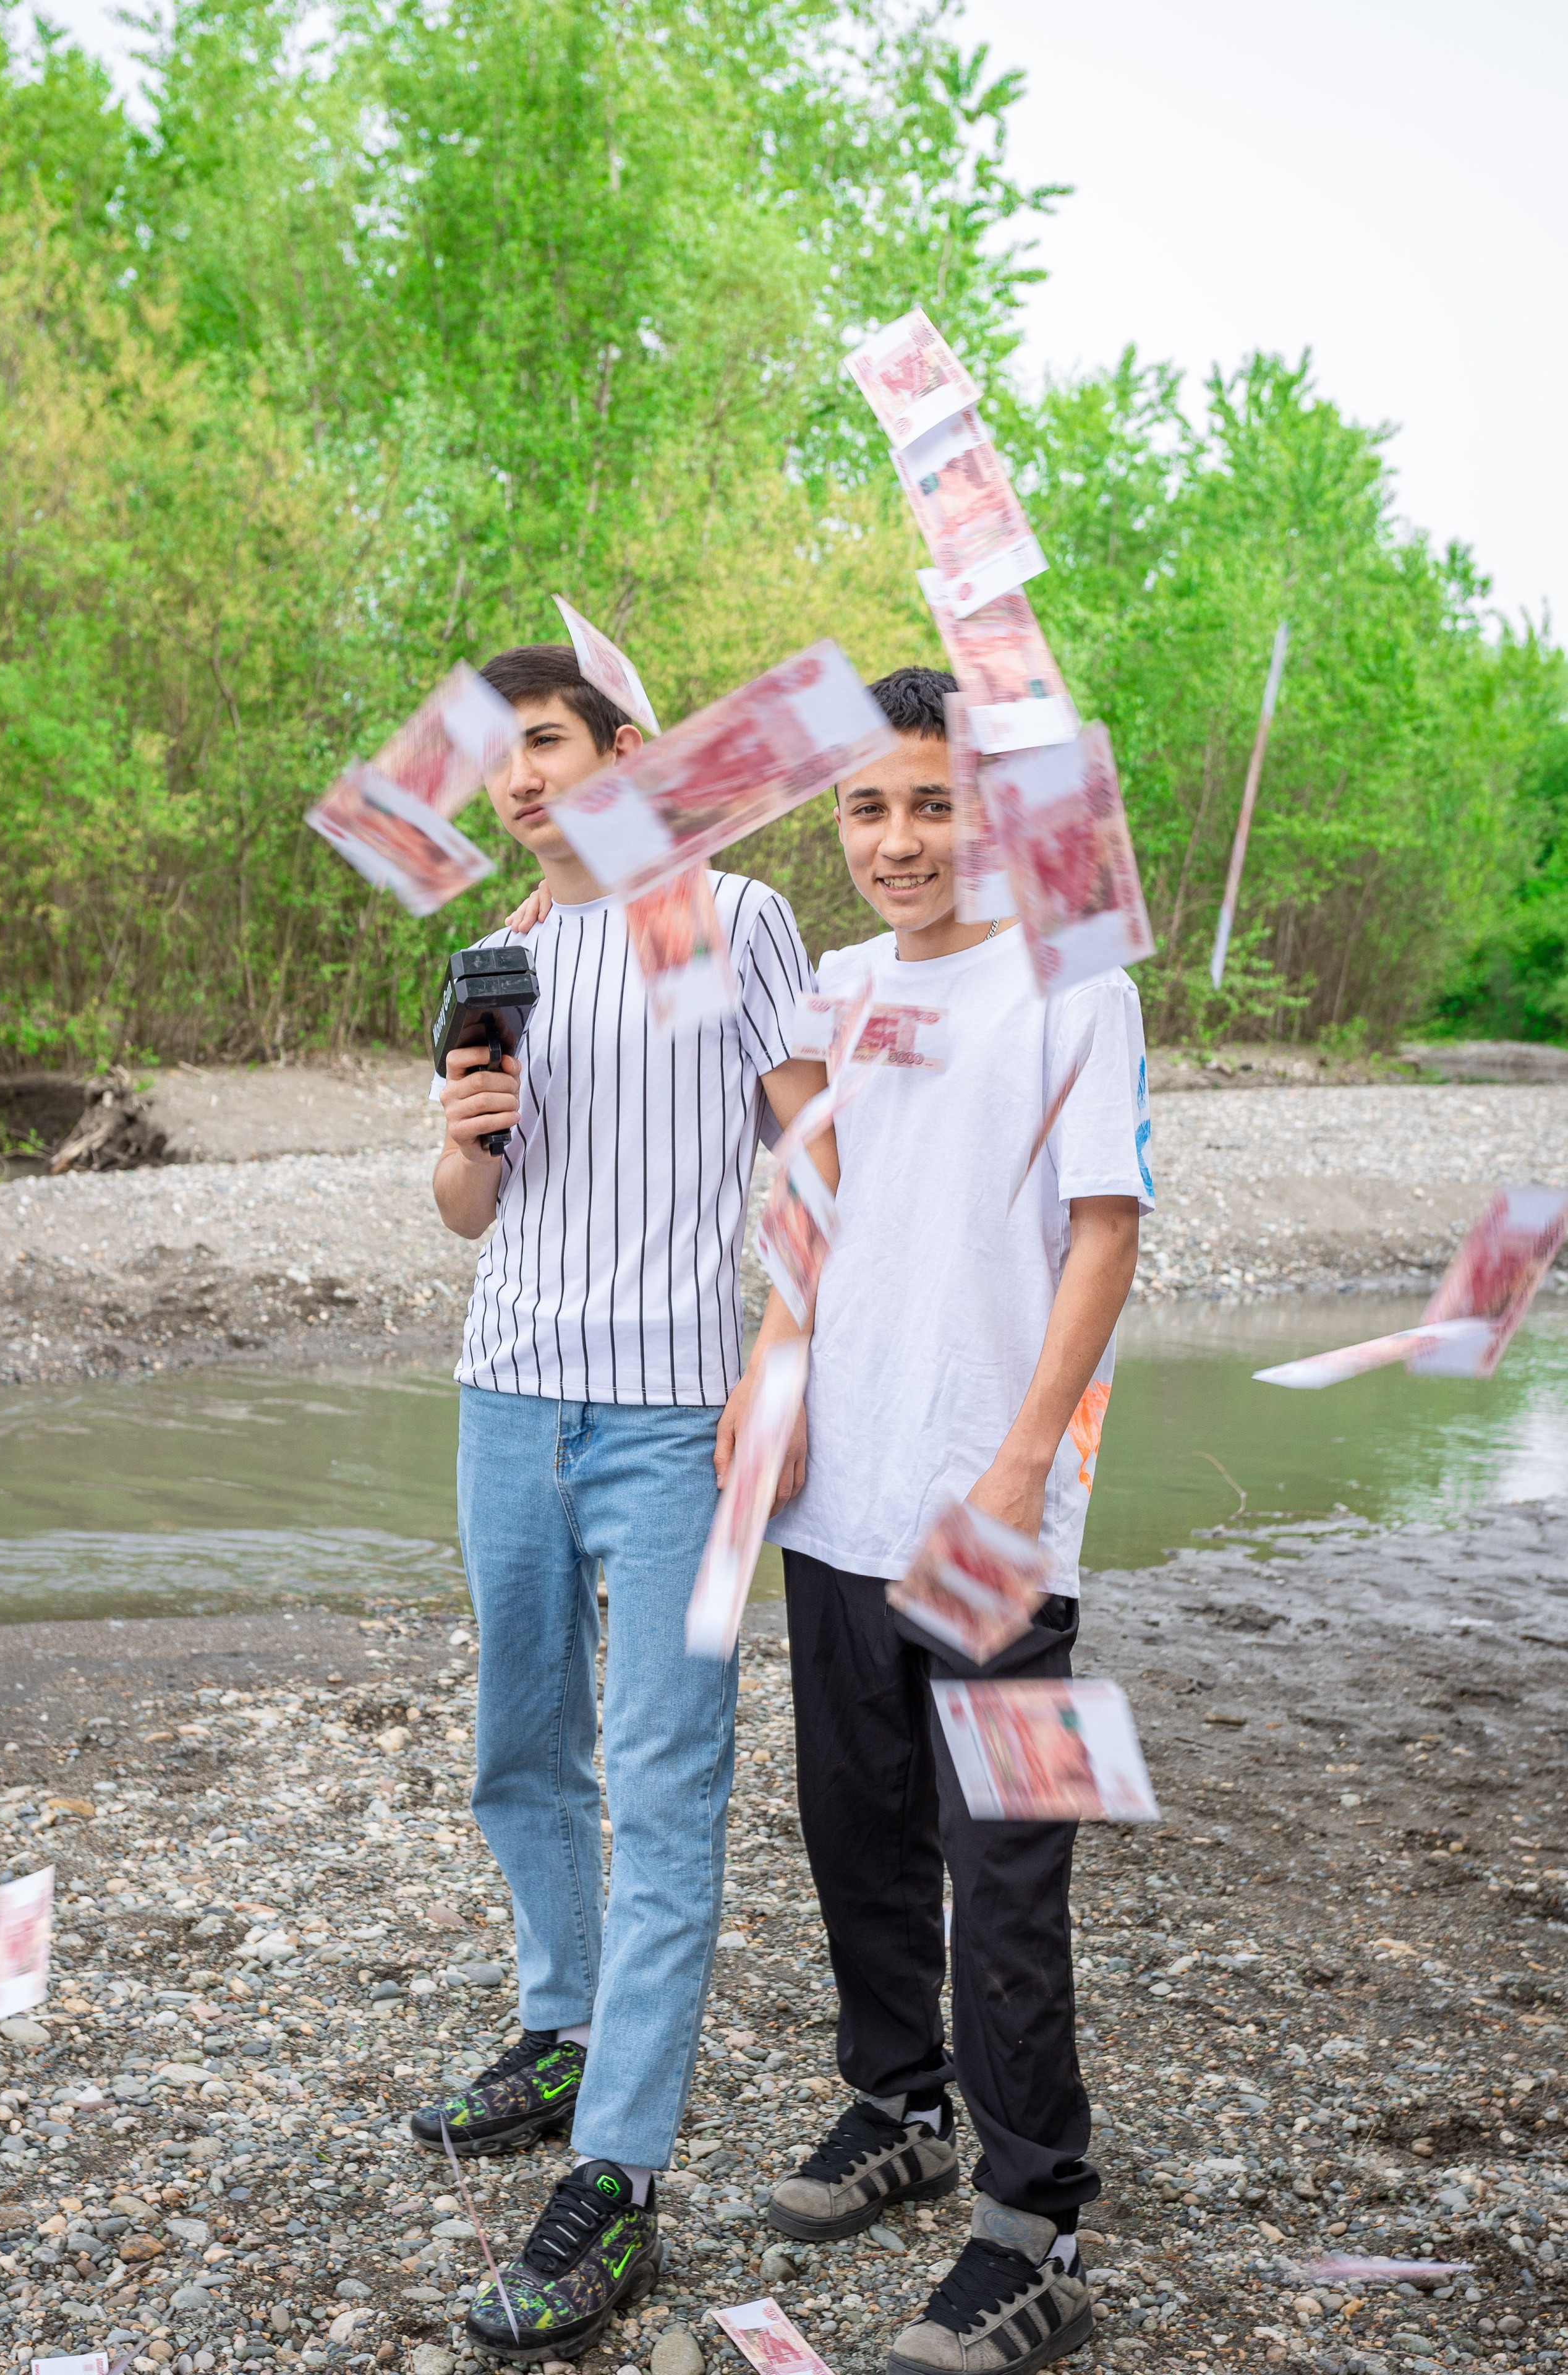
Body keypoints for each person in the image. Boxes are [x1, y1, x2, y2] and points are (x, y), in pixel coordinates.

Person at [725, 664, 1153, 2375]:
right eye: (867, 807)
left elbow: (1106, 1233)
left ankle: (1036, 2216)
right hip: (838, 1498)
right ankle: (894, 2102)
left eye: (933, 801)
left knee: (1012, 1874)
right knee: (858, 1827)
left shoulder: (1075, 979)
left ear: (997, 811)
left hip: (1000, 1515)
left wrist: (1023, 1461)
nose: (899, 840)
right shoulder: (834, 984)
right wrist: (773, 1377)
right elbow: (809, 1197)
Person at [419, 641, 829, 2362]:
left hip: (678, 1423)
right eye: (499, 758)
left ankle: (616, 2177)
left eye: (549, 745)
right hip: (506, 1397)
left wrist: (787, 1355)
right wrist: (468, 1121)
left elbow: (811, 1147)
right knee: (524, 1747)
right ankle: (558, 2021)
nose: (521, 780)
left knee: (668, 1787)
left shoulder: (736, 918)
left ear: (623, 751)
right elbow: (460, 1206)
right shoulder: (499, 952)